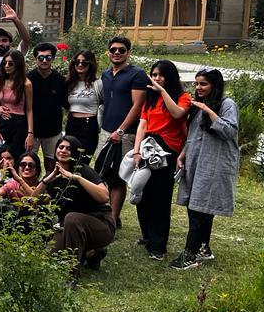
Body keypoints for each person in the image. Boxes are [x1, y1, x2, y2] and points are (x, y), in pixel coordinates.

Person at [171, 69, 239, 270]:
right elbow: (193, 135)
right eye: (197, 84)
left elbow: (230, 131)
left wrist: (209, 112)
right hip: (196, 163)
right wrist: (183, 154)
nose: (198, 88)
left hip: (215, 164)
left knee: (198, 208)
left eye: (203, 84)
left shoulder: (227, 104)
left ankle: (189, 255)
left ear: (214, 85)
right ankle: (203, 248)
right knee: (201, 206)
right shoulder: (199, 106)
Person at [132, 60, 190, 261]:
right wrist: (136, 150)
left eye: (160, 75)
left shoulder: (182, 97)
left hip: (167, 151)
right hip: (148, 148)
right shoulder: (150, 98)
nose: (156, 79)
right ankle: (147, 235)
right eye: (154, 75)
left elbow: (177, 114)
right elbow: (142, 125)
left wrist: (162, 91)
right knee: (142, 192)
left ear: (170, 76)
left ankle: (158, 246)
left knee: (160, 198)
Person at [33, 135, 115, 272]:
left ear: (75, 153)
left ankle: (71, 272)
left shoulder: (84, 171)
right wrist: (47, 180)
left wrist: (77, 178)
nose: (63, 151)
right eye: (61, 147)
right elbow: (34, 201)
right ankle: (94, 253)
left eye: (69, 149)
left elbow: (104, 196)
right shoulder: (54, 175)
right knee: (50, 257)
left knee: (72, 218)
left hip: (101, 225)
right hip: (70, 228)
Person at [99, 36, 149, 226]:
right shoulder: (106, 74)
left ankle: (114, 218)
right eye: (113, 50)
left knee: (119, 176)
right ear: (108, 52)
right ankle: (108, 214)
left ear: (128, 52)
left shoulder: (136, 75)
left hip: (125, 134)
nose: (117, 53)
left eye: (121, 50)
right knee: (105, 173)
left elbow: (138, 106)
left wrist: (121, 130)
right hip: (106, 131)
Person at [28, 42, 67, 173]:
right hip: (32, 130)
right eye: (41, 57)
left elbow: (66, 103)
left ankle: (49, 190)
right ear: (35, 59)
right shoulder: (28, 79)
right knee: (29, 162)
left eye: (48, 58)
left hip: (53, 130)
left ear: (53, 59)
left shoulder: (60, 80)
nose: (44, 60)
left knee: (51, 164)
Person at [0, 49, 33, 159]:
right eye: (4, 63)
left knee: (16, 159)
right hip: (2, 125)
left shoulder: (26, 84)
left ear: (18, 65)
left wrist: (30, 134)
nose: (7, 66)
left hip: (19, 126)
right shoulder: (0, 83)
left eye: (11, 63)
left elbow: (29, 110)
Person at [63, 49, 102, 160]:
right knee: (68, 159)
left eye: (84, 62)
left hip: (89, 125)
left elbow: (105, 103)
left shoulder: (97, 84)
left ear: (91, 64)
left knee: (83, 160)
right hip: (71, 123)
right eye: (77, 62)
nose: (80, 64)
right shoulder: (69, 83)